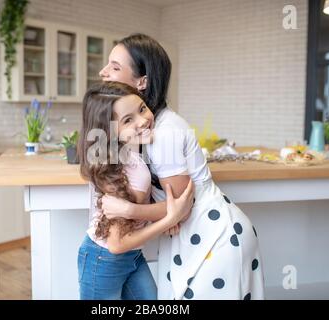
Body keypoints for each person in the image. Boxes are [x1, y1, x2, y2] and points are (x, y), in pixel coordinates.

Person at [99, 34, 265, 300]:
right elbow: (172, 207)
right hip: (196, 238)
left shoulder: (164, 131)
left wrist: (132, 209)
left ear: (142, 82)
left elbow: (181, 208)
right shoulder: (146, 127)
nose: (103, 72)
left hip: (214, 239)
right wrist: (166, 214)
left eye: (115, 67)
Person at [77, 81, 195, 300]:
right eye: (128, 120)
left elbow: (138, 209)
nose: (143, 121)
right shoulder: (117, 171)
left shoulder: (131, 156)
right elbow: (117, 243)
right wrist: (168, 219)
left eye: (141, 108)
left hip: (131, 256)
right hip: (103, 260)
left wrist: (166, 213)